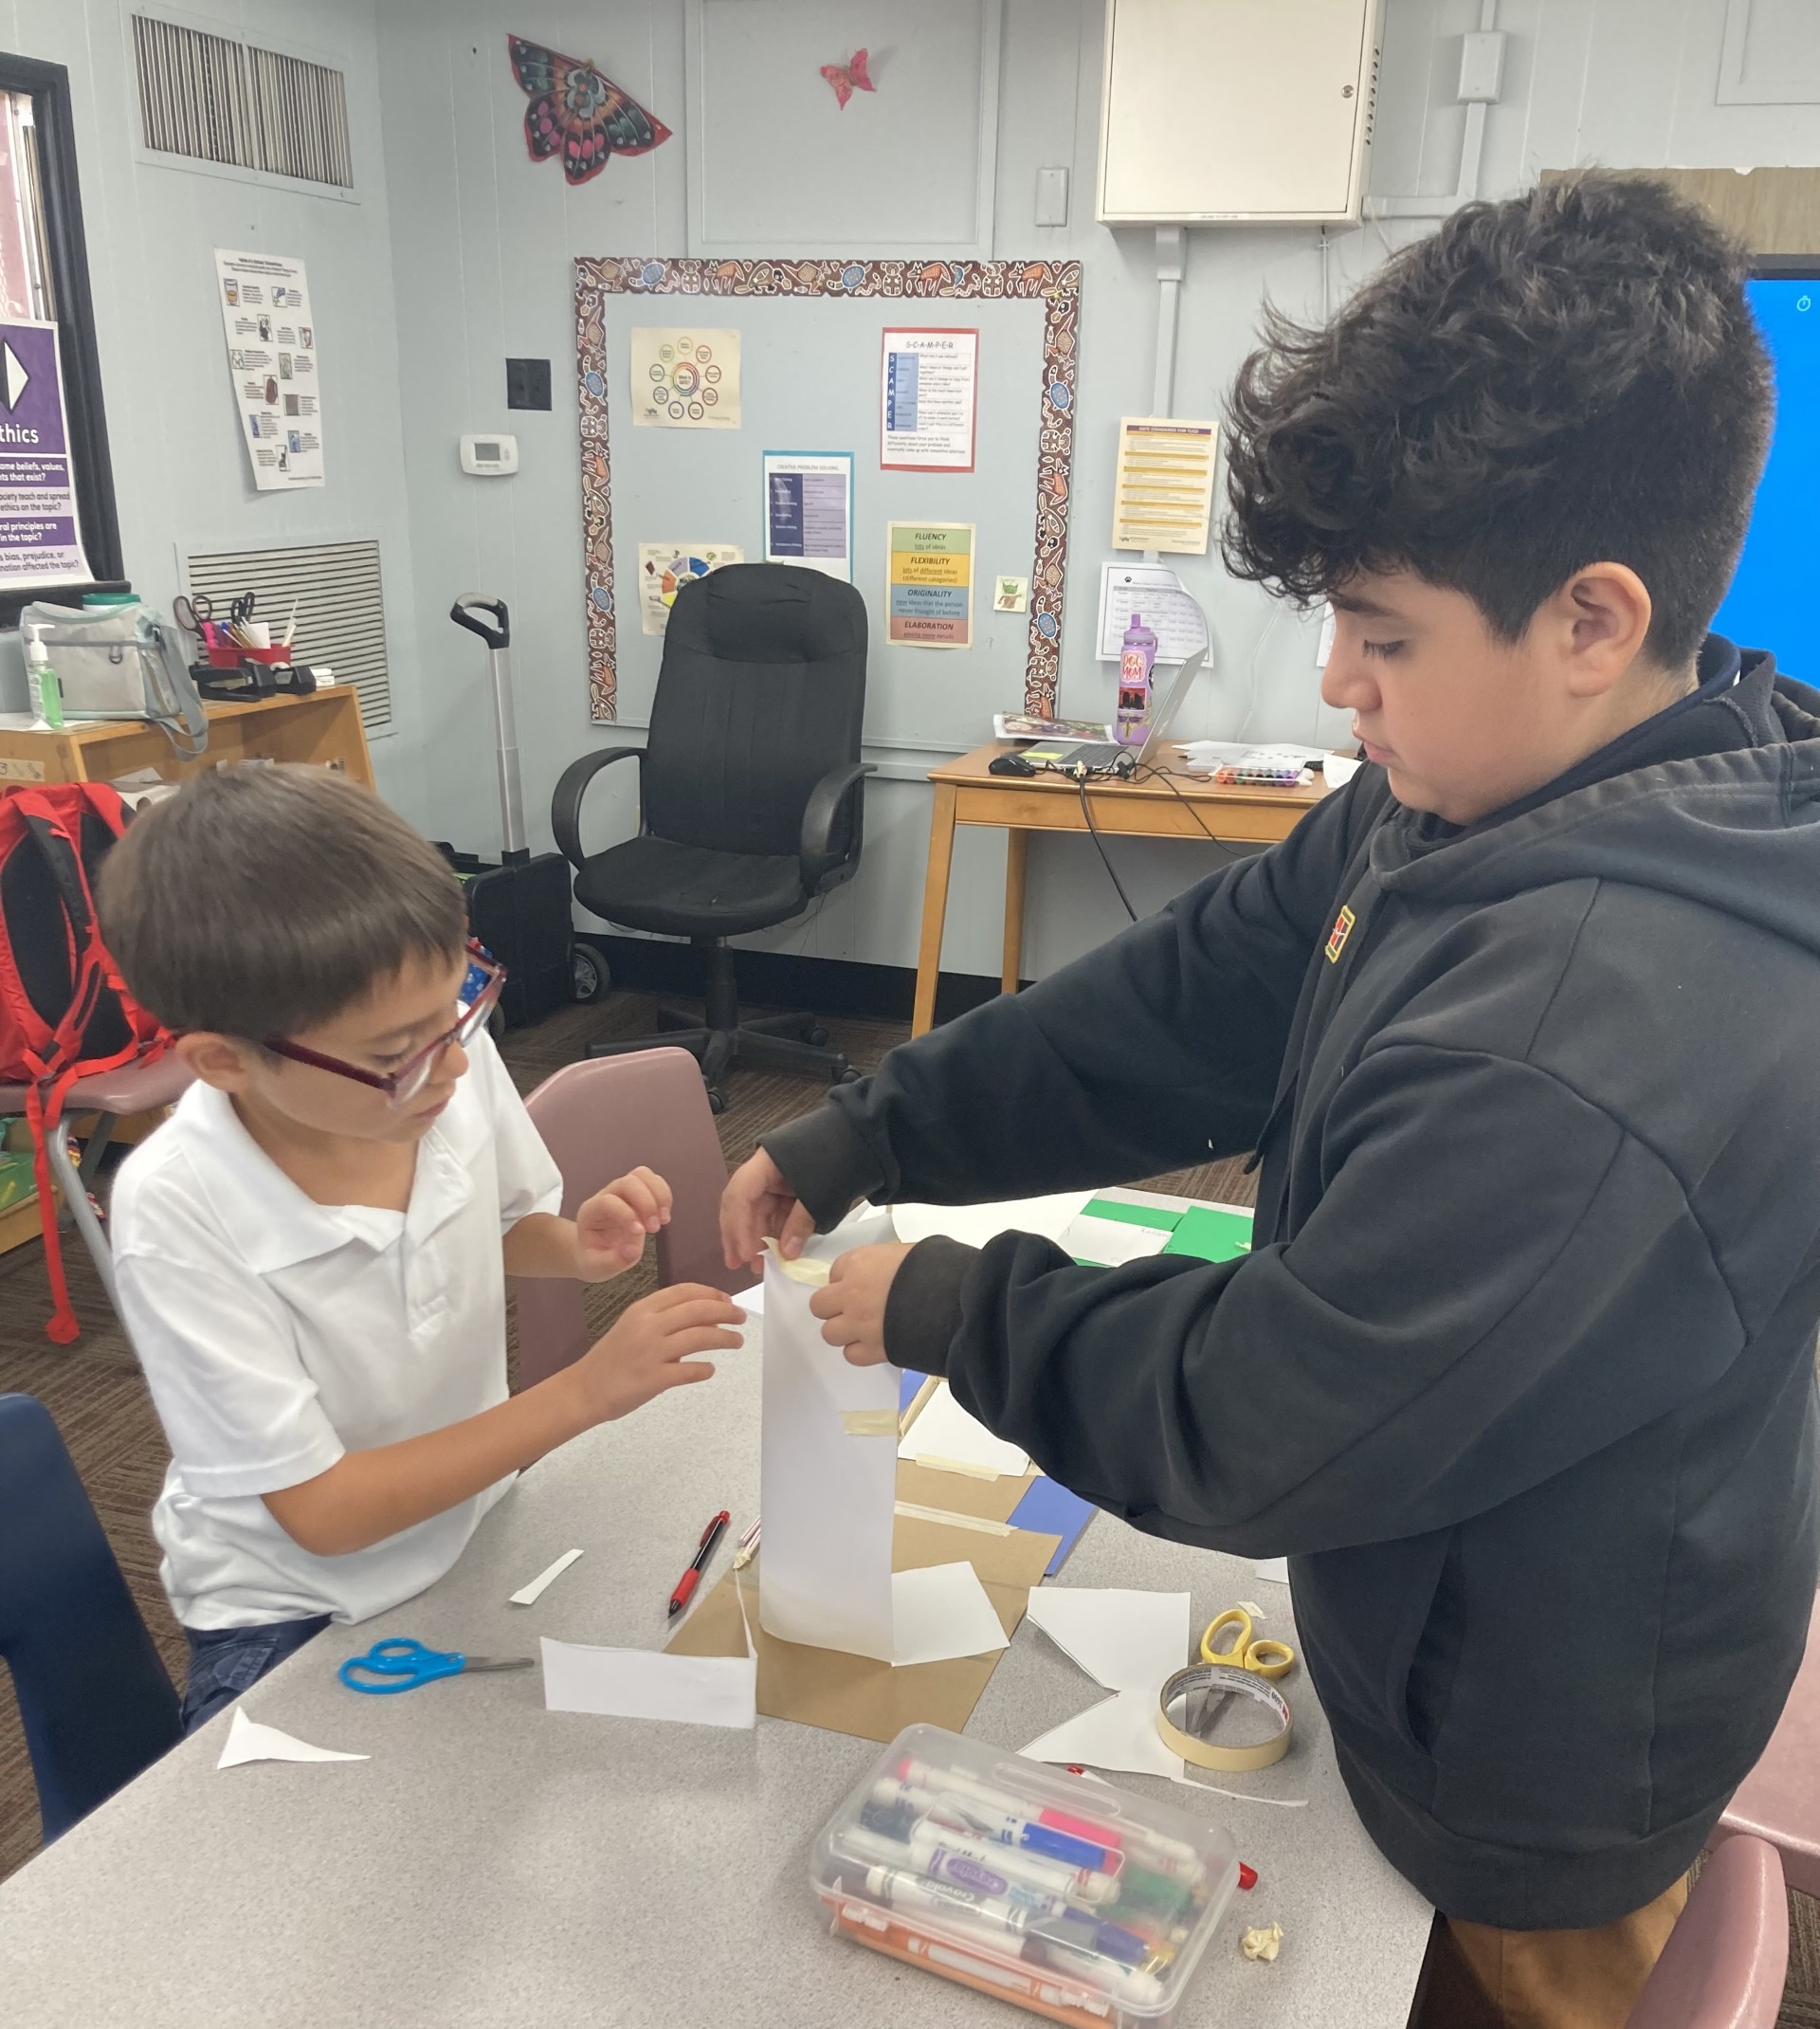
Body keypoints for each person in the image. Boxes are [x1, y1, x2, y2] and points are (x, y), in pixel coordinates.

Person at [720, 173, 1820, 2029]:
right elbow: (1187, 991)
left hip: (1526, 1761)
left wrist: (944, 1303)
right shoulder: (1482, 792)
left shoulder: (1586, 1035)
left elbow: (1261, 1415)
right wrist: (880, 1126)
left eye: (1382, 633)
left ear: (1589, 617)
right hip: (1446, 1594)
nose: (1337, 681)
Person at [99, 768, 743, 1733]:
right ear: (226, 1061)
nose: (453, 1059)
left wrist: (577, 1248)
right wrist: (581, 1393)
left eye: (463, 1005)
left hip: (474, 1524)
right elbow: (323, 1511)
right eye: (400, 1048)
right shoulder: (179, 1207)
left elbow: (494, 1225)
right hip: (299, 1603)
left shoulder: (437, 1054)